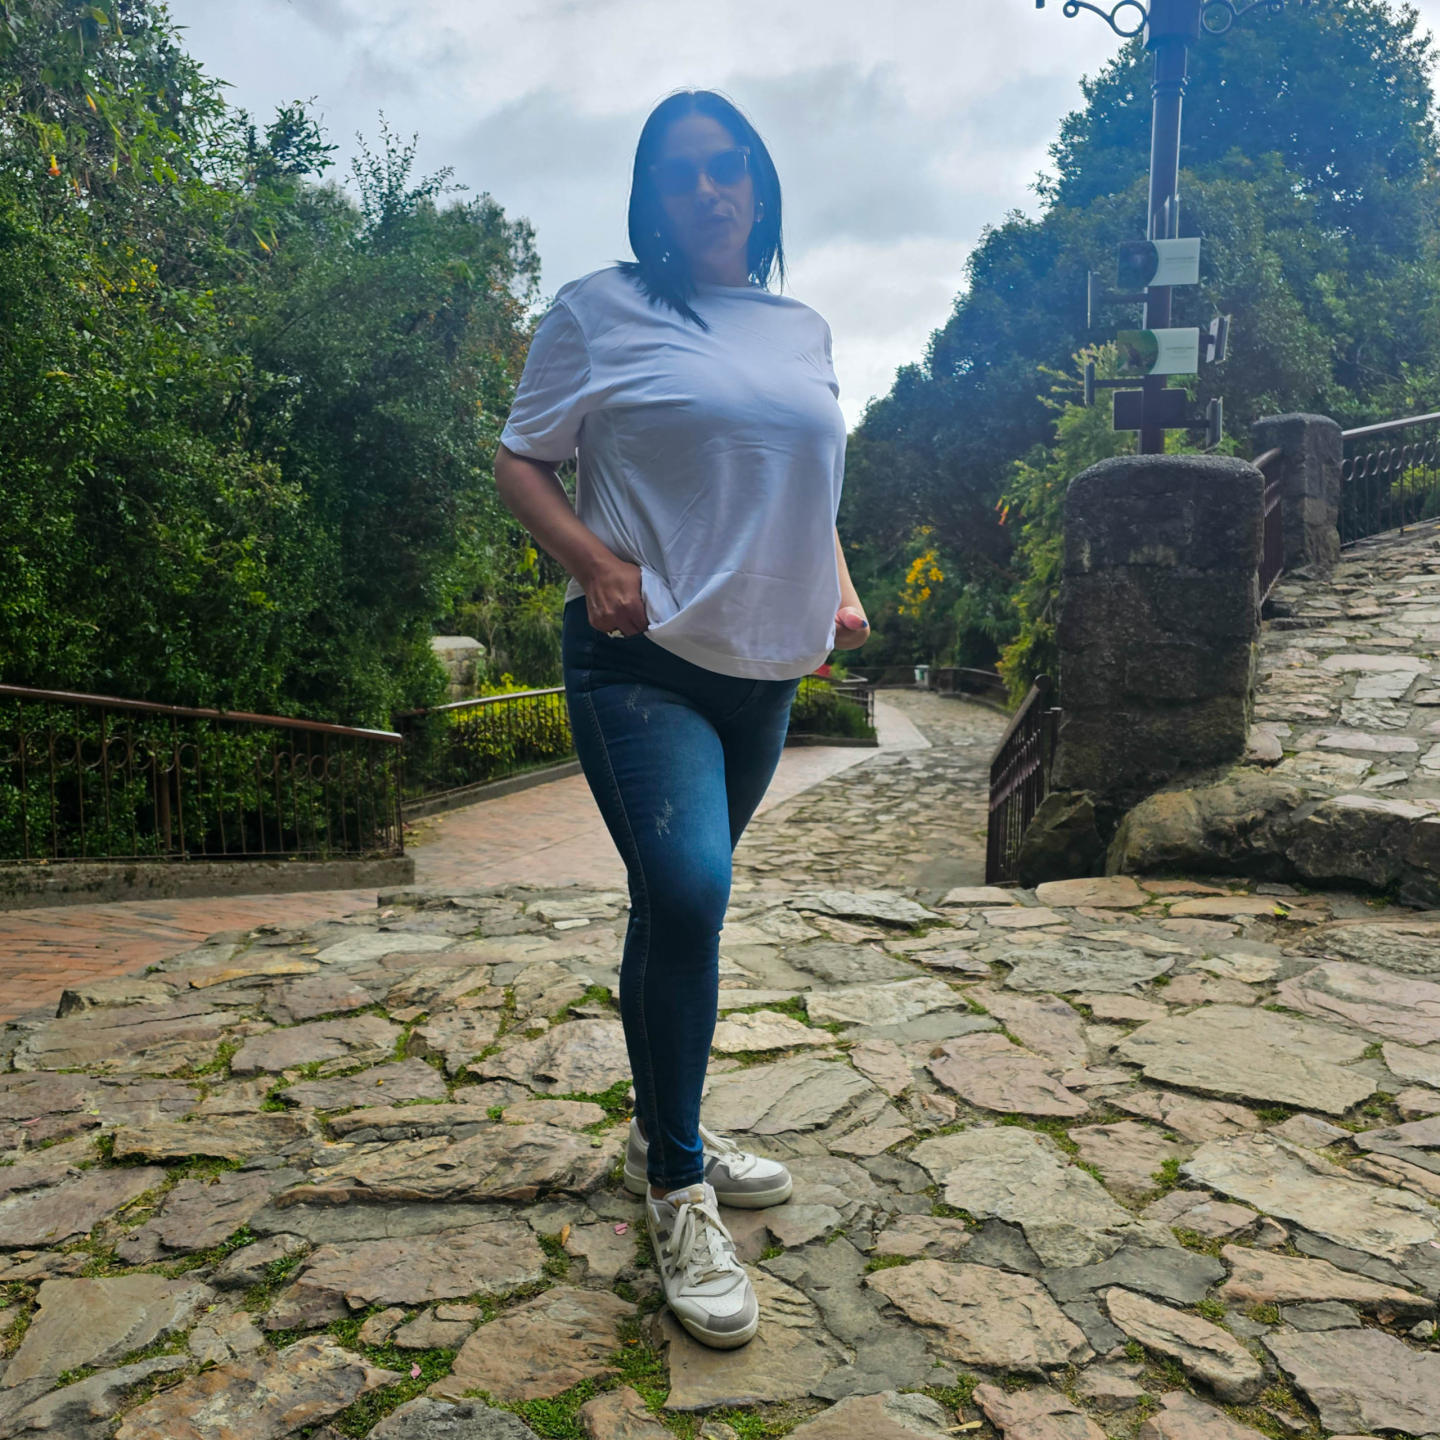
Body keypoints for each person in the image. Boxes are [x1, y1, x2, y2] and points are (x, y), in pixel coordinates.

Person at [492, 88, 868, 1350]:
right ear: (650, 199)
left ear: (759, 182)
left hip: (765, 670)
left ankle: (670, 1126)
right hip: (638, 660)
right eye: (680, 172)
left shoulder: (802, 328)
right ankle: (678, 1191)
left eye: (728, 165)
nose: (709, 189)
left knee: (675, 911)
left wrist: (840, 583)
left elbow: (802, 485)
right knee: (693, 892)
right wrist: (596, 565)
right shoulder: (599, 309)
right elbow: (520, 459)